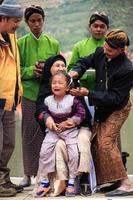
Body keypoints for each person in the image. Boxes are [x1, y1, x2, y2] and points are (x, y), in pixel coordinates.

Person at [69, 29, 133, 197]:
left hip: (118, 107)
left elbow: (115, 97)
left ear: (122, 50)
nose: (105, 50)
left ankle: (126, 183)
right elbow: (84, 61)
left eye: (110, 50)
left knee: (105, 142)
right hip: (102, 105)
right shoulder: (101, 52)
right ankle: (116, 181)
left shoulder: (127, 69)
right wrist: (76, 71)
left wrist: (87, 93)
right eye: (105, 46)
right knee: (96, 142)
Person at [35, 54, 96, 197]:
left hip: (78, 127)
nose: (61, 68)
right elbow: (40, 110)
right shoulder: (46, 92)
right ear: (49, 70)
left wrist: (73, 121)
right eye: (57, 66)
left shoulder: (73, 90)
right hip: (56, 129)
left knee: (81, 142)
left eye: (63, 66)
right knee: (55, 146)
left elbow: (83, 114)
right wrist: (47, 119)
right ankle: (61, 181)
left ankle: (83, 179)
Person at [17, 5, 60, 187]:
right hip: (28, 94)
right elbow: (16, 69)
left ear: (43, 20)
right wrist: (31, 71)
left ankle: (48, 175)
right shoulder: (20, 44)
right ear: (27, 23)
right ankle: (27, 175)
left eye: (39, 20)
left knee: (49, 135)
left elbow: (59, 67)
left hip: (49, 96)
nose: (36, 24)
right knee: (28, 136)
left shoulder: (53, 43)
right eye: (32, 21)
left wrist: (48, 71)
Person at [0, 0, 24, 197]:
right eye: (15, 21)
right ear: (3, 18)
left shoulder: (12, 36)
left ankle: (3, 179)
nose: (18, 25)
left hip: (9, 97)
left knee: (8, 143)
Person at [68, 11, 109, 91]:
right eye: (95, 26)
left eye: (102, 26)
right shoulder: (79, 46)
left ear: (107, 28)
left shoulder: (112, 46)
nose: (98, 29)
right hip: (82, 90)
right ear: (89, 27)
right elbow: (71, 68)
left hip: (105, 92)